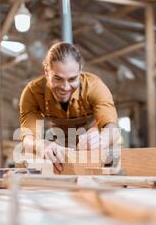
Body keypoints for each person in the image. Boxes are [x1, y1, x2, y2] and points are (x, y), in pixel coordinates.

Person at [19, 42, 120, 172]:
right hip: (59, 149)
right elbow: (28, 138)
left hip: (92, 147)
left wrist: (102, 140)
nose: (65, 87)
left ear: (80, 71)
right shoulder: (32, 93)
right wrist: (41, 145)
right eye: (58, 79)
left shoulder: (95, 86)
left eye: (72, 79)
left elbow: (113, 129)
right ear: (46, 72)